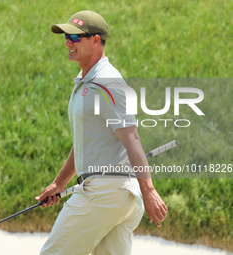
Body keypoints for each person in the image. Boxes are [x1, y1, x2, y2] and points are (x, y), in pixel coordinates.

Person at [35, 10, 168, 255]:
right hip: (117, 195)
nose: (67, 43)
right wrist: (59, 183)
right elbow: (87, 140)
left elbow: (132, 139)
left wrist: (149, 191)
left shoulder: (107, 82)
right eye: (66, 37)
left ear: (96, 40)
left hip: (104, 194)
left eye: (75, 38)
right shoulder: (88, 81)